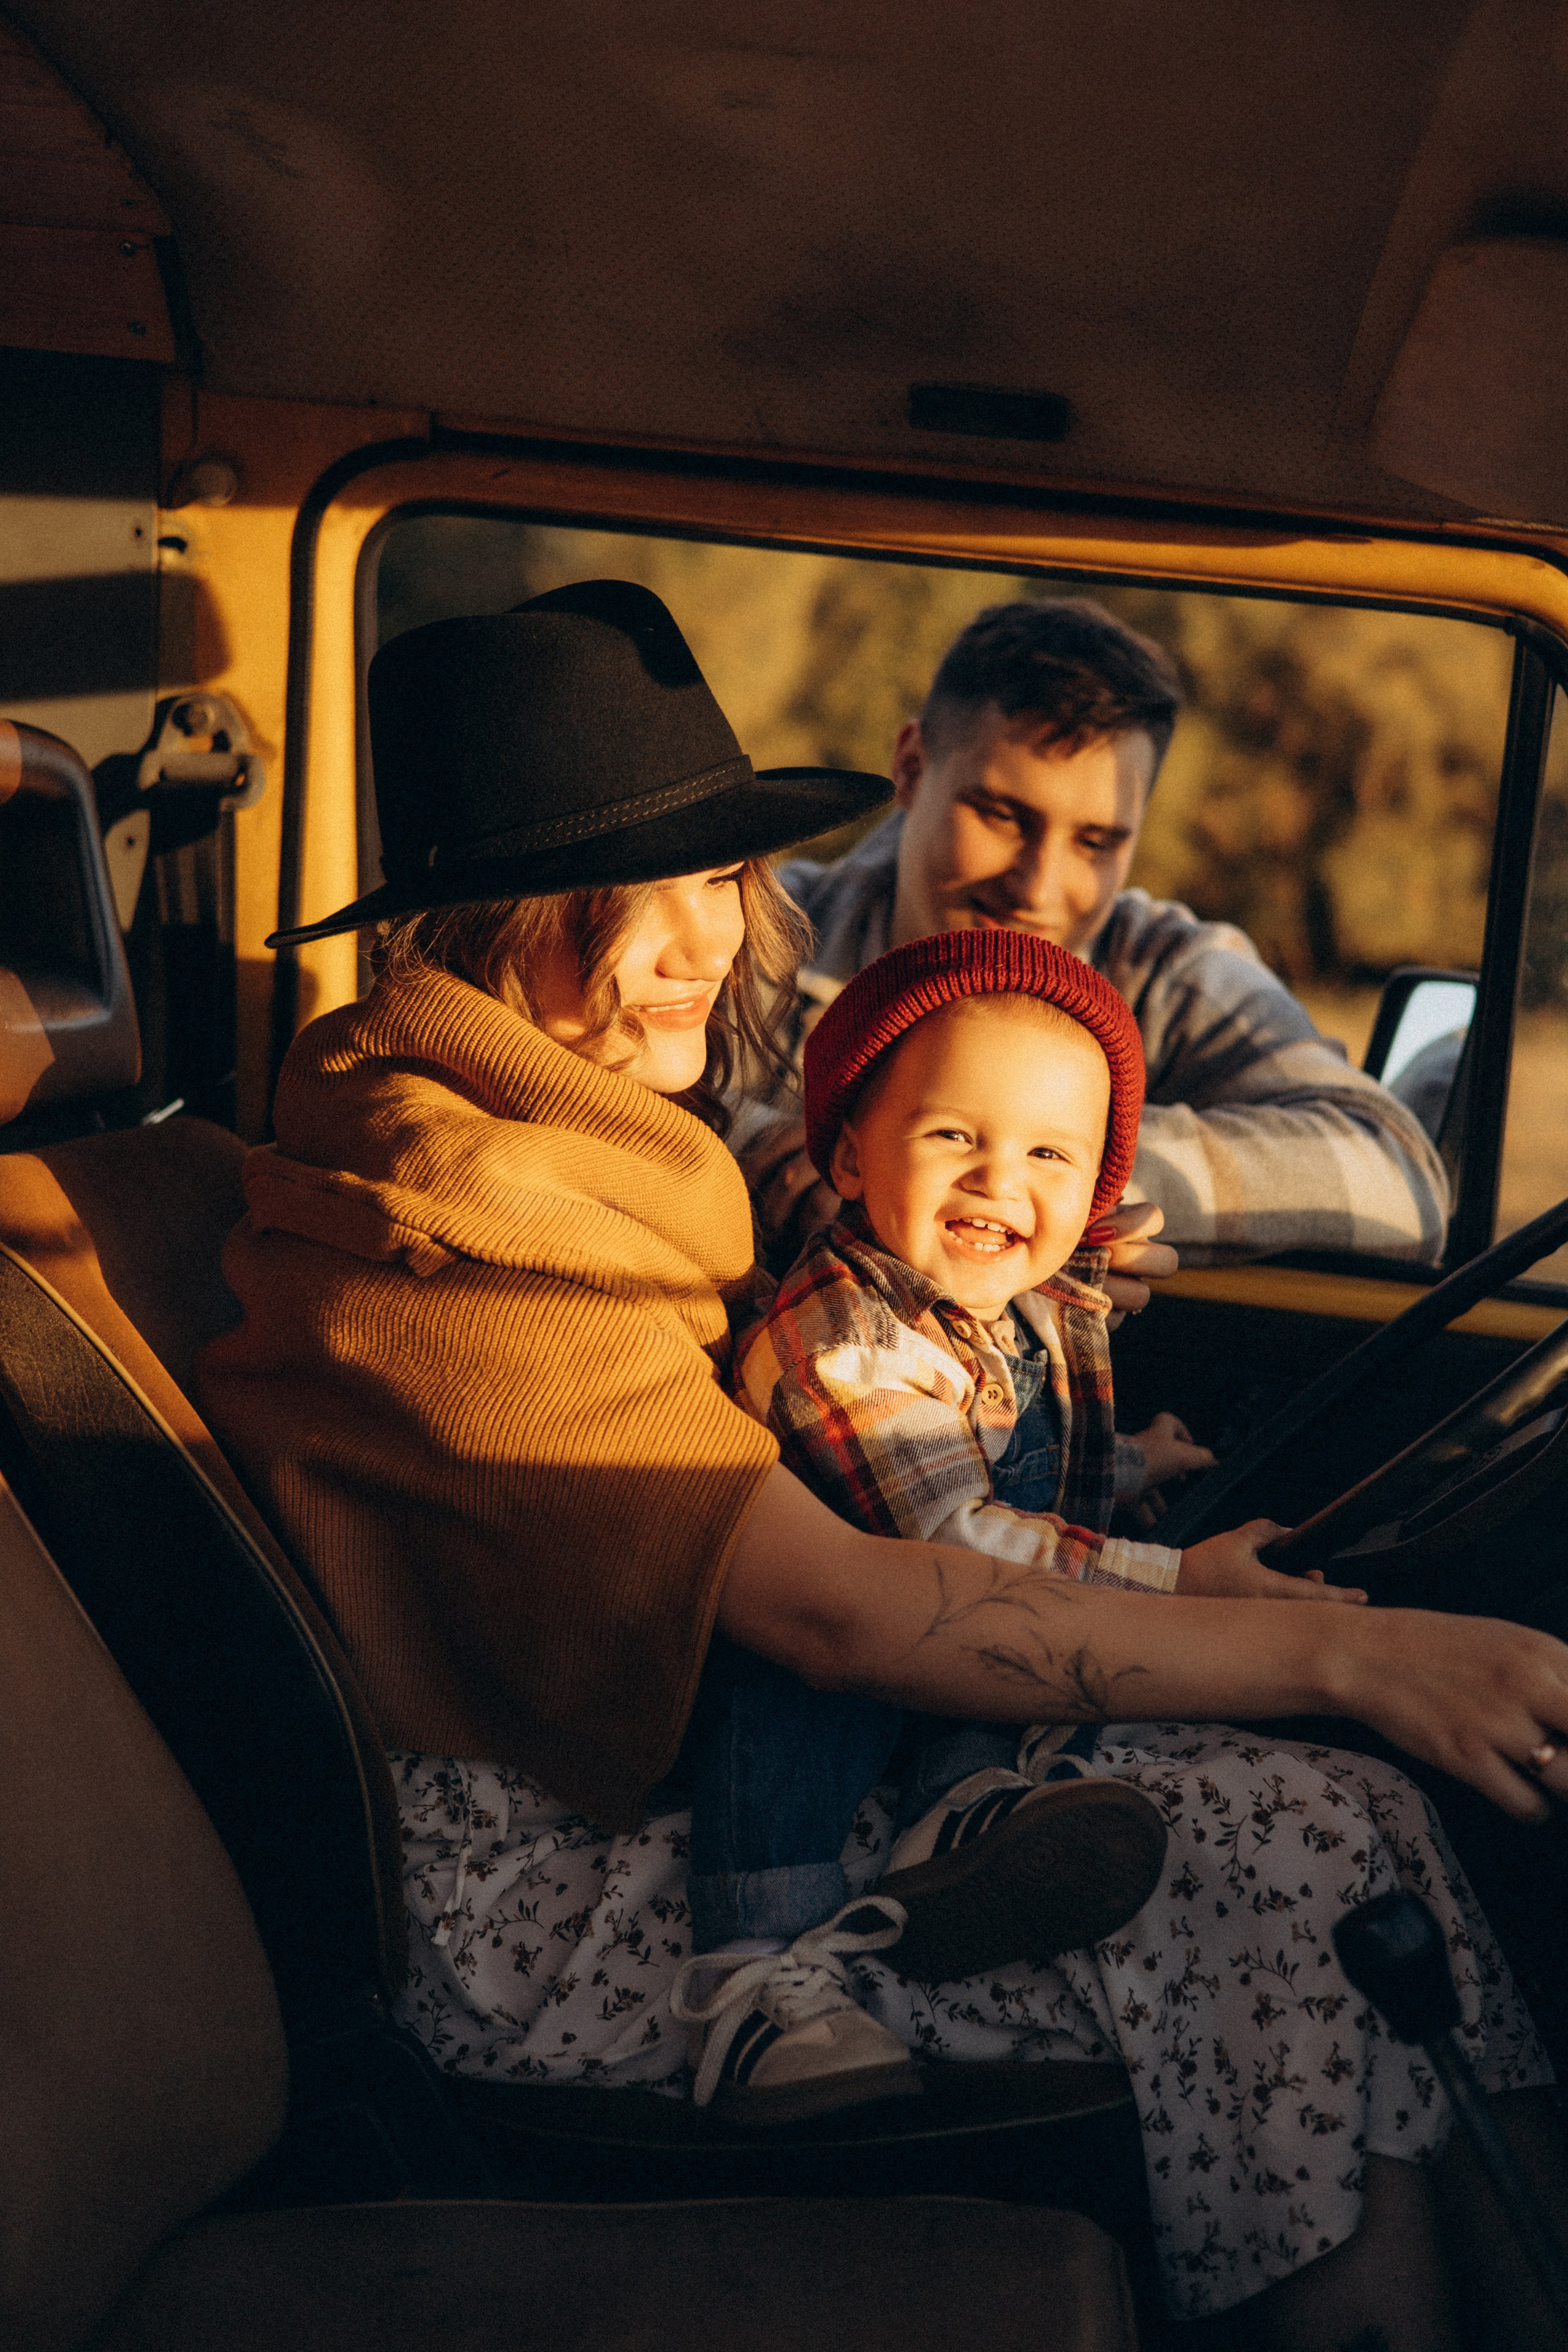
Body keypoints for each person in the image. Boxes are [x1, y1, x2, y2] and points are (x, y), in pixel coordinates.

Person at [200, 582, 1568, 2351]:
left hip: (665, 1776)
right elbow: (841, 1615)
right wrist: (1357, 1654)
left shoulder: (577, 1155)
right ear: (506, 917)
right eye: (662, 883)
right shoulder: (450, 1230)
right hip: (569, 1913)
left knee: (1344, 1816)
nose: (723, 933)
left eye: (728, 875)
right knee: (1298, 1837)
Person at [742, 596, 1450, 1283]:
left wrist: (1058, 1193)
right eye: (1002, 817)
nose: (1039, 888)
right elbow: (631, 1103)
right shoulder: (760, 930)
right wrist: (767, 1154)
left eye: (1096, 842)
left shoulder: (1170, 972)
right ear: (910, 766)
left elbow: (1398, 1180)